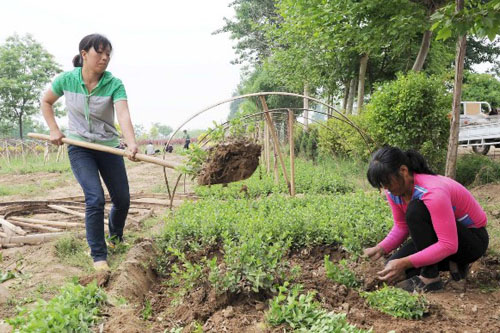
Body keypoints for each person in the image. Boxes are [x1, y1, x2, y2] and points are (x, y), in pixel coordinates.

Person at [41, 34, 139, 271]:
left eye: (108, 54)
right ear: (84, 54)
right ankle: (98, 256)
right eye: (100, 53)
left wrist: (130, 142)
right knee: (94, 198)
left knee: (122, 199)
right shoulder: (67, 80)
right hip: (80, 147)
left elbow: (123, 114)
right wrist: (54, 129)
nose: (105, 58)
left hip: (108, 146)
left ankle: (115, 238)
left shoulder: (114, 83)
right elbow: (46, 102)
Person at [363, 146, 489, 292]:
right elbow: (401, 226)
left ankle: (430, 277)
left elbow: (449, 244)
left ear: (403, 171)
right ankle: (452, 264)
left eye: (387, 182)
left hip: (471, 241)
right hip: (443, 237)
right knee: (392, 269)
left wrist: (405, 262)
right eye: (382, 185)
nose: (386, 188)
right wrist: (381, 248)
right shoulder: (395, 192)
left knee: (415, 210)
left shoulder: (433, 192)